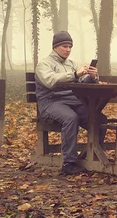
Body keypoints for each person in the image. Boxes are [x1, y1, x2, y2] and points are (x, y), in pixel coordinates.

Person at [34, 31, 107, 175]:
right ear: (55, 47)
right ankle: (69, 163)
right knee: (70, 118)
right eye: (64, 46)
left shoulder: (73, 64)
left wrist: (91, 77)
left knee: (99, 119)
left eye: (70, 47)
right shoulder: (44, 64)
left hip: (73, 101)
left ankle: (92, 156)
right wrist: (75, 74)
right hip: (50, 103)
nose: (68, 50)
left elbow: (81, 82)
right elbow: (51, 81)